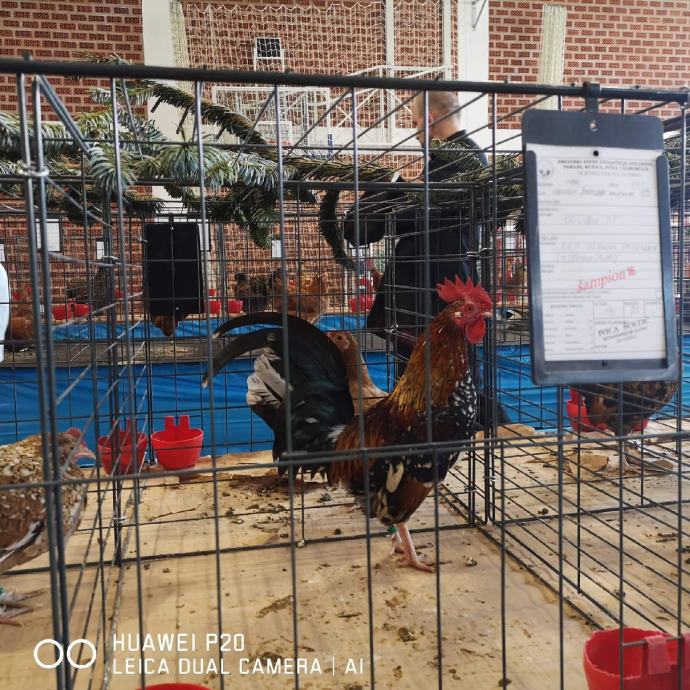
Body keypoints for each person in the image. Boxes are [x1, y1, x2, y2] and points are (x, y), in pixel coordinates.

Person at [343, 90, 508, 427]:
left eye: (416, 123)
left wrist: (391, 188)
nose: (417, 133)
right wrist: (395, 189)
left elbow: (408, 215)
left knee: (452, 393)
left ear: (429, 120)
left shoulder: (461, 159)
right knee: (432, 393)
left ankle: (496, 434)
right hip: (424, 302)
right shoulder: (449, 161)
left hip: (432, 303)